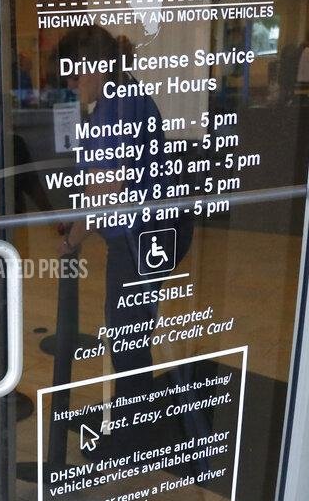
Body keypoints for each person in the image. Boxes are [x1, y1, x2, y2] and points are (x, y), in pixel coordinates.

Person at [54, 26, 176, 418]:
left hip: (136, 237)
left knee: (127, 336)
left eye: (74, 75)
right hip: (150, 232)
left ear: (96, 66)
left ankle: (133, 427)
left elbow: (105, 188)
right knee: (132, 332)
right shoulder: (128, 94)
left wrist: (73, 239)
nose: (71, 85)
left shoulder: (114, 108)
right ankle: (134, 414)